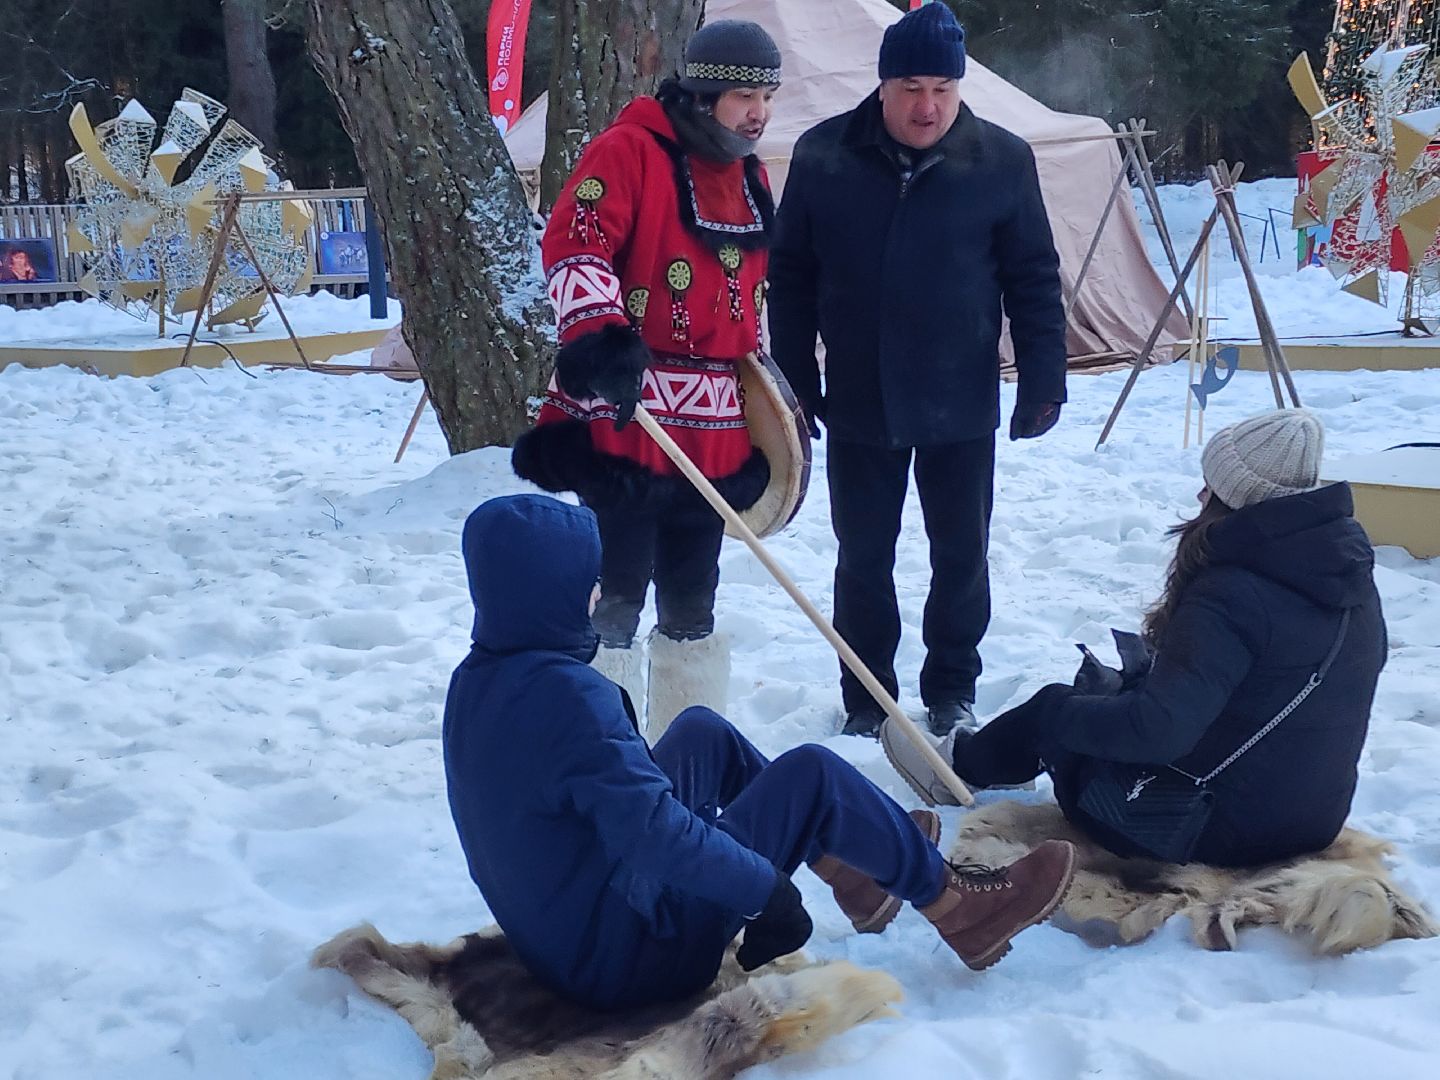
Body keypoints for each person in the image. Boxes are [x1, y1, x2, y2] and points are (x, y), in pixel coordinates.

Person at [443, 493, 1078, 1010]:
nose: (600, 588)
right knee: (813, 773)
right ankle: (958, 905)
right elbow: (653, 834)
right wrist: (766, 890)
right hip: (632, 957)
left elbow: (610, 808)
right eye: (589, 579)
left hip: (572, 931)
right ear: (555, 590)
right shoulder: (571, 701)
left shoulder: (480, 680)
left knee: (702, 732)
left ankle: (853, 868)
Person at [882, 409, 1387, 868]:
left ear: (1235, 497)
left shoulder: (1232, 594)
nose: (1200, 496)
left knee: (1056, 707)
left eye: (1210, 486)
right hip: (1311, 819)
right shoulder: (1347, 577)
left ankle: (955, 769)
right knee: (1114, 698)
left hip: (1202, 828)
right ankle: (1005, 754)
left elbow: (1159, 732)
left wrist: (1062, 717)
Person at [766, 3, 1068, 740]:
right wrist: (796, 384)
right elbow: (792, 277)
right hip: (859, 395)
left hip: (959, 395)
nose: (927, 106)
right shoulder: (824, 155)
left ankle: (953, 688)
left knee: (961, 556)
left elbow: (1033, 278)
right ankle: (867, 695)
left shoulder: (1000, 160)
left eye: (942, 88)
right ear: (883, 84)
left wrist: (1043, 379)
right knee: (862, 557)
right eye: (911, 88)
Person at [512, 20, 785, 739]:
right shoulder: (629, 150)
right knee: (617, 594)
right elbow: (575, 243)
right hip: (629, 415)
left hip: (715, 427)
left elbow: (748, 300)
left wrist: (770, 393)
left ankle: (687, 748)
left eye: (767, 96)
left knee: (693, 599)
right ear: (703, 94)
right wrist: (603, 341)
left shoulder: (751, 175)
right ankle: (601, 747)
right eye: (745, 96)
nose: (759, 112)